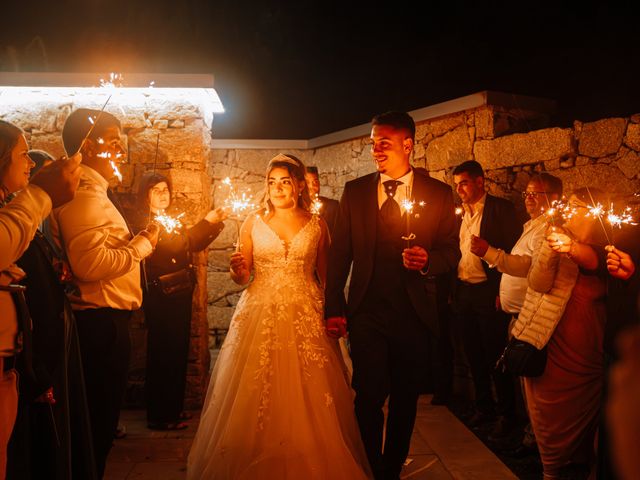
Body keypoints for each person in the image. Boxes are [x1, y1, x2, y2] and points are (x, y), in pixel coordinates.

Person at [187, 153, 371, 479]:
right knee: (257, 389)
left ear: (299, 185)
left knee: (310, 394)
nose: (277, 188)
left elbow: (326, 278)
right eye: (271, 182)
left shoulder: (317, 225)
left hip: (305, 309)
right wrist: (238, 271)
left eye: (285, 181)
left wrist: (334, 314)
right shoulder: (253, 223)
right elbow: (242, 277)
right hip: (260, 311)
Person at [325, 111, 460, 480]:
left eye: (383, 142)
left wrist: (428, 260)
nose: (376, 150)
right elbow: (339, 256)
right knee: (368, 395)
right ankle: (371, 465)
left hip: (413, 313)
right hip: (367, 310)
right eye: (372, 143)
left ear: (408, 144)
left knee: (405, 398)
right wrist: (333, 307)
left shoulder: (438, 194)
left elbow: (452, 251)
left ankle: (392, 469)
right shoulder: (355, 192)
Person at [47, 108, 159, 478]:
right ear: (87, 147)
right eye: (113, 143)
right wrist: (140, 247)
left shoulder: (95, 192)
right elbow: (90, 265)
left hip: (105, 322)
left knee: (98, 425)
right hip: (99, 324)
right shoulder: (84, 196)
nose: (121, 152)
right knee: (95, 427)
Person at [0, 120, 81, 480]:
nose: (30, 164)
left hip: (11, 362)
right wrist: (41, 194)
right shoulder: (18, 210)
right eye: (22, 155)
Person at [512, 187, 608, 479]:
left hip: (588, 348)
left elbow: (592, 261)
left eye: (580, 207)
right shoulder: (551, 235)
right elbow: (538, 283)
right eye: (571, 206)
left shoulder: (609, 244)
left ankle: (580, 465)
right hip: (552, 342)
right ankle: (551, 470)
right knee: (549, 415)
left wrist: (572, 248)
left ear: (596, 213)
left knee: (588, 417)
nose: (572, 212)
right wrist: (551, 252)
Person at [471, 173, 562, 445]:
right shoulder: (532, 226)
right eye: (527, 194)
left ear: (554, 198)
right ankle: (530, 435)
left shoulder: (549, 229)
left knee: (536, 388)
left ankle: (538, 441)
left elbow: (528, 266)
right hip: (517, 315)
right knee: (526, 386)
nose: (529, 198)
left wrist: (490, 253)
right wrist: (503, 292)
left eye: (536, 193)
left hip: (531, 318)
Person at [133, 171, 227, 431]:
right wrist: (206, 222)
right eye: (156, 190)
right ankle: (161, 415)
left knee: (176, 352)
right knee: (164, 354)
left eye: (166, 189)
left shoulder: (168, 218)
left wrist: (215, 224)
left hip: (177, 294)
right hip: (163, 298)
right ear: (145, 194)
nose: (164, 194)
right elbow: (178, 245)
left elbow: (191, 246)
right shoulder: (149, 222)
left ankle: (171, 410)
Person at [452, 160, 522, 436]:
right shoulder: (459, 213)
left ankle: (507, 414)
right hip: (463, 291)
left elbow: (513, 252)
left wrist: (500, 290)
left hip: (488, 292)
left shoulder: (500, 209)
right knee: (472, 353)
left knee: (495, 355)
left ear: (480, 181)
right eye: (456, 184)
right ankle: (484, 407)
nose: (460, 190)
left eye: (464, 183)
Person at [305, 165, 340, 236]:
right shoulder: (295, 209)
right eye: (307, 183)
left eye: (315, 182)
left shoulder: (333, 206)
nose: (312, 187)